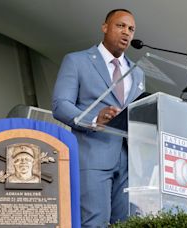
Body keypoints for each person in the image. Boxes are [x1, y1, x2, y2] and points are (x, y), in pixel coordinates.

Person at [52, 8, 144, 227]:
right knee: (95, 222)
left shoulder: (138, 72)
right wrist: (93, 120)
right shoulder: (77, 61)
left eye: (131, 29)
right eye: (120, 25)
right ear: (105, 27)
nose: (126, 33)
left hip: (130, 160)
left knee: (127, 223)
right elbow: (60, 104)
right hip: (92, 155)